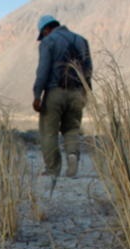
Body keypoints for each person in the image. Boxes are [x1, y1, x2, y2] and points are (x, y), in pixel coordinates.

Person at [32, 15, 92, 177]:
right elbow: (88, 70)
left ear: (46, 30)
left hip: (55, 92)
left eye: (42, 34)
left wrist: (37, 94)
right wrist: (86, 92)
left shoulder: (49, 41)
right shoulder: (81, 40)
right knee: (72, 129)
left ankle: (52, 169)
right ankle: (72, 162)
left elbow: (43, 71)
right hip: (77, 93)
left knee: (48, 131)